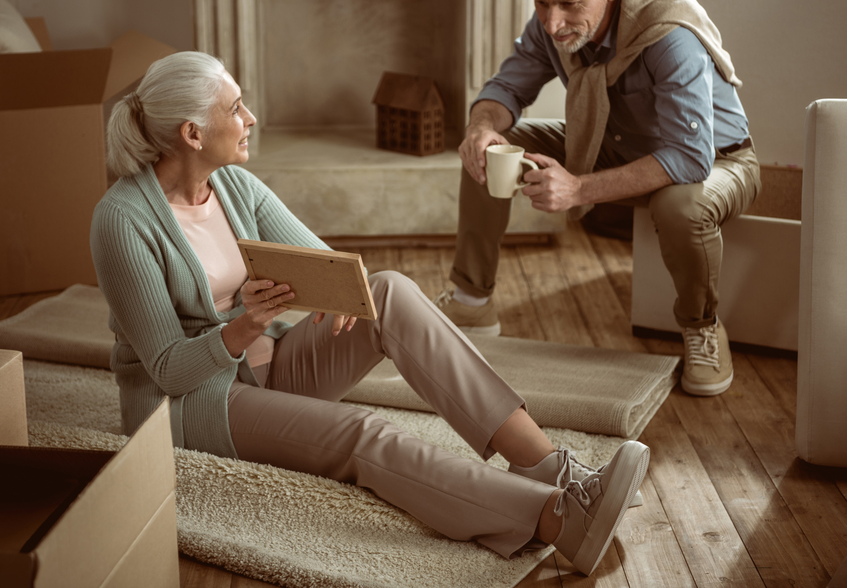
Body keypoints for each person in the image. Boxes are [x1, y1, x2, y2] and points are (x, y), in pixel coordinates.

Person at [90, 51, 648, 575]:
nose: (250, 117)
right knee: (364, 432)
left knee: (388, 291)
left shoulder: (233, 185)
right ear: (192, 133)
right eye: (235, 108)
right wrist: (245, 326)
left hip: (270, 367)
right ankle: (558, 519)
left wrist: (343, 298)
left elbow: (332, 272)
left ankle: (548, 465)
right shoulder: (122, 219)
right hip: (193, 407)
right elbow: (166, 371)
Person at [436, 0, 760, 397]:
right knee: (496, 147)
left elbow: (689, 158)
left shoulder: (668, 32)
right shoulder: (556, 18)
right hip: (617, 144)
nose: (552, 22)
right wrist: (481, 127)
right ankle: (471, 299)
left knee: (680, 206)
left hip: (719, 158)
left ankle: (703, 327)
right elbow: (507, 87)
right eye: (541, 2)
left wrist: (579, 189)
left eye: (569, 4)